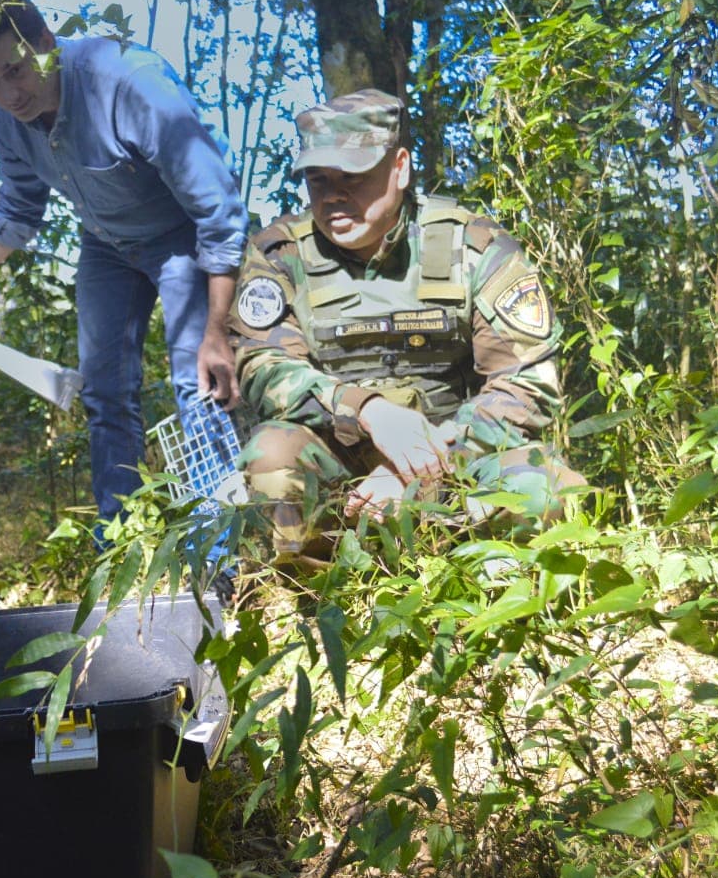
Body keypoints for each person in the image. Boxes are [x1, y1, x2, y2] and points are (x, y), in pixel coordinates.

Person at [0, 0, 247, 540]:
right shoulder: (6, 114)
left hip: (182, 239)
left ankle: (221, 557)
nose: (7, 94)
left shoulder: (129, 84)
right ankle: (116, 546)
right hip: (106, 244)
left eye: (15, 71)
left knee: (199, 383)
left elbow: (217, 210)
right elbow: (19, 208)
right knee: (104, 391)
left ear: (46, 43)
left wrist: (217, 329)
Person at [228, 89, 584, 564]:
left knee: (545, 490)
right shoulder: (281, 255)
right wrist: (367, 410)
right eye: (318, 179)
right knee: (270, 457)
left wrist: (417, 467)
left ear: (399, 168)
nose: (334, 195)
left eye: (353, 176)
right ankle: (322, 592)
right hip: (343, 474)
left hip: (460, 458)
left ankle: (482, 584)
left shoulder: (473, 246)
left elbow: (525, 386)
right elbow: (261, 364)